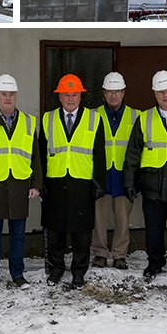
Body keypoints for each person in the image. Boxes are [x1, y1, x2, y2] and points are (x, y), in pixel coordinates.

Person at [123, 70, 167, 283]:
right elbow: (133, 152)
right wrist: (129, 181)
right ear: (154, 94)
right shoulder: (144, 118)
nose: (166, 95)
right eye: (161, 92)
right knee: (153, 230)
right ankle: (154, 263)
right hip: (152, 185)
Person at [0, 74, 42, 291]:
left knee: (18, 235)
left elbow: (36, 156)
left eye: (11, 94)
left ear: (15, 95)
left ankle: (17, 275)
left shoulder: (29, 122)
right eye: (4, 94)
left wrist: (36, 184)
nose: (8, 98)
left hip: (20, 184)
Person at [39, 74, 106, 289]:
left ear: (80, 97)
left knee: (81, 233)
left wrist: (99, 183)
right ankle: (56, 269)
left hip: (82, 182)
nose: (70, 98)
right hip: (55, 182)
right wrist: (40, 182)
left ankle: (79, 272)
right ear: (59, 97)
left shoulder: (94, 119)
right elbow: (41, 153)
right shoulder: (47, 119)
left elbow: (99, 154)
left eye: (74, 94)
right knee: (55, 230)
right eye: (66, 94)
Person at [91, 72, 139, 270]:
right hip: (101, 175)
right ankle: (100, 253)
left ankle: (120, 254)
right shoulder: (92, 115)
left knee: (122, 218)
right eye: (109, 92)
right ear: (104, 93)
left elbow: (139, 148)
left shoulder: (137, 116)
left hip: (124, 176)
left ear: (123, 92)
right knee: (98, 217)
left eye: (117, 92)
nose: (113, 96)